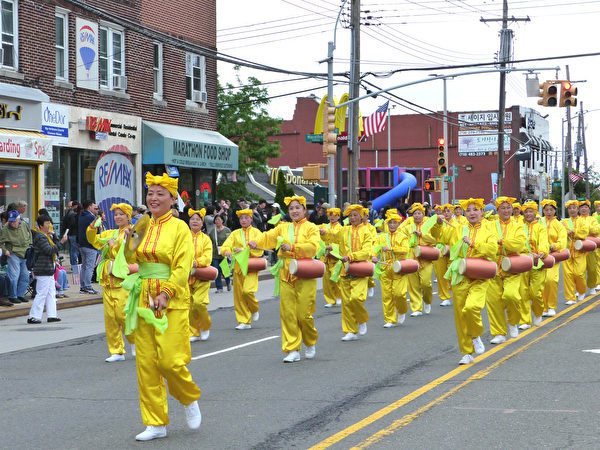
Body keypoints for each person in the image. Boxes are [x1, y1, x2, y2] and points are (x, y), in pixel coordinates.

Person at [123, 172, 201, 442]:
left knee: (170, 361)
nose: (153, 198)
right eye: (150, 193)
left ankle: (188, 398)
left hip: (172, 299)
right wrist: (128, 238)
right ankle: (155, 422)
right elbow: (130, 256)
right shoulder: (143, 223)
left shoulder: (180, 228)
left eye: (160, 194)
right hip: (144, 296)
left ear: (172, 198)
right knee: (146, 364)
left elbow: (182, 267)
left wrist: (167, 292)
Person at [251, 196, 320, 362]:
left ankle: (310, 342)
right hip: (286, 274)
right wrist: (254, 241)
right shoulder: (283, 228)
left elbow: (313, 247)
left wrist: (293, 247)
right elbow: (267, 237)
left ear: (304, 210)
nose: (294, 211)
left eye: (298, 208)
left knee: (304, 314)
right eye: (291, 208)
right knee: (287, 313)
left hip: (305, 273)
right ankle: (292, 349)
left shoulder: (312, 228)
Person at [444, 198, 497, 364]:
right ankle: (466, 352)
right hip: (461, 275)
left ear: (482, 212)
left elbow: (493, 250)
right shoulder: (458, 229)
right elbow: (441, 237)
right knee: (460, 315)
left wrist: (473, 243)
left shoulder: (489, 231)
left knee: (471, 307)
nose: (472, 213)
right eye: (469, 210)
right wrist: (439, 223)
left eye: (476, 210)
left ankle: (475, 334)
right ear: (464, 214)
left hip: (480, 275)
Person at [86, 203, 135, 362]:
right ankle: (116, 351)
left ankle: (136, 342)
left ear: (128, 216)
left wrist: (113, 248)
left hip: (124, 281)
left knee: (123, 315)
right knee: (110, 317)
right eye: (116, 214)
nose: (118, 217)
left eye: (121, 214)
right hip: (108, 280)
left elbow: (129, 254)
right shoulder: (111, 233)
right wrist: (93, 226)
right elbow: (95, 240)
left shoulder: (133, 232)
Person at [321, 204, 374, 341]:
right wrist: (323, 235)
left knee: (356, 298)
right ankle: (350, 331)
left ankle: (361, 319)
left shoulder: (367, 231)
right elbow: (333, 238)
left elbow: (367, 251)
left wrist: (351, 256)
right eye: (350, 215)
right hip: (345, 270)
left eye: (356, 215)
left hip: (360, 269)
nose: (353, 217)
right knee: (346, 303)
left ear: (361, 216)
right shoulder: (344, 230)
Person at [487, 197, 527, 344]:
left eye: (508, 207)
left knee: (511, 296)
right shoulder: (489, 225)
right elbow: (486, 241)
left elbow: (519, 244)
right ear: (497, 210)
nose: (506, 210)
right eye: (502, 208)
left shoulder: (518, 225)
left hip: (512, 266)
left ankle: (513, 321)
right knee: (493, 301)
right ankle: (498, 333)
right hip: (493, 267)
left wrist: (501, 242)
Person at [220, 208, 264, 329]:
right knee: (239, 296)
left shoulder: (257, 233)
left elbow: (260, 248)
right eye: (241, 218)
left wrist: (244, 250)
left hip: (251, 267)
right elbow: (226, 245)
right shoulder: (235, 233)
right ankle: (244, 321)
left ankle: (254, 308)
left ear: (251, 219)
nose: (243, 220)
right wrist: (227, 251)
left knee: (248, 291)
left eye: (246, 218)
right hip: (238, 268)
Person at [27, 214, 67, 324]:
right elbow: (49, 250)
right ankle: (33, 316)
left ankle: (52, 314)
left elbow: (54, 246)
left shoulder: (46, 236)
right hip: (43, 268)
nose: (49, 225)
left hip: (49, 268)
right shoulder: (40, 237)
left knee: (51, 292)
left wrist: (55, 236)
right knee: (42, 293)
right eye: (47, 223)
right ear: (40, 225)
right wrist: (62, 242)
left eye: (49, 223)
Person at [372, 213, 409, 327]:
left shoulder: (403, 236)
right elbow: (375, 248)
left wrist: (391, 249)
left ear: (399, 224)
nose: (392, 225)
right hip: (385, 267)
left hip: (399, 267)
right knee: (387, 295)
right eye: (390, 223)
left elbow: (405, 249)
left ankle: (402, 310)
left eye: (395, 222)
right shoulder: (382, 237)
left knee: (399, 294)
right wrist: (373, 255)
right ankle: (389, 320)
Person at [403, 203, 439, 316]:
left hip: (426, 257)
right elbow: (402, 239)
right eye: (415, 214)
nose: (417, 216)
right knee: (413, 284)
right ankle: (416, 308)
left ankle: (427, 300)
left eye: (419, 213)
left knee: (426, 283)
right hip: (411, 257)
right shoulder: (408, 227)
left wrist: (422, 235)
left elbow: (434, 240)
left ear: (423, 214)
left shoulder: (428, 226)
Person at [518, 201, 549, 330]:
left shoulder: (540, 227)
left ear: (535, 213)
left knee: (536, 292)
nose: (528, 214)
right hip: (523, 261)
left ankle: (538, 312)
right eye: (526, 212)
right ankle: (524, 320)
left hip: (537, 261)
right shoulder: (519, 227)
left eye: (531, 211)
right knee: (522, 291)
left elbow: (543, 241)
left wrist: (542, 252)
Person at [188, 208, 213, 342]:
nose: (195, 221)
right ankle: (193, 332)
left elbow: (207, 258)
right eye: (192, 219)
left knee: (199, 303)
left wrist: (195, 262)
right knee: (190, 306)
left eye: (198, 219)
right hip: (186, 277)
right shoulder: (184, 237)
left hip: (202, 276)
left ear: (202, 223)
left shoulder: (206, 239)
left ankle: (205, 326)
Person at [540, 200, 567, 317]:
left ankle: (551, 306)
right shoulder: (539, 223)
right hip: (540, 256)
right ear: (543, 211)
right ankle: (543, 307)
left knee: (551, 280)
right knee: (541, 282)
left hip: (553, 256)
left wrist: (553, 246)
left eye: (551, 210)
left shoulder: (559, 225)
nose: (549, 212)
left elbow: (562, 241)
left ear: (555, 211)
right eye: (546, 210)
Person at [0, 209, 32, 304]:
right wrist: (5, 251)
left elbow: (29, 235)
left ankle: (20, 295)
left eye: (14, 221)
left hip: (25, 253)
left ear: (19, 220)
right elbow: (1, 242)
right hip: (13, 253)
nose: (12, 223)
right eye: (11, 221)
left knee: (25, 276)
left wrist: (30, 245)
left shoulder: (24, 225)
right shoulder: (6, 228)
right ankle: (12, 296)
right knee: (14, 276)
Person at [562, 199, 590, 305]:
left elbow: (584, 232)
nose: (572, 210)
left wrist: (573, 232)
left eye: (574, 208)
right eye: (570, 208)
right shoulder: (564, 222)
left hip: (580, 251)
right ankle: (570, 297)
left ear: (577, 209)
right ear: (568, 210)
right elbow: (561, 232)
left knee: (579, 274)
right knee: (568, 275)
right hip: (568, 251)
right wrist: (566, 231)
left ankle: (581, 291)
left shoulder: (582, 221)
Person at [320, 207, 342, 308]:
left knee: (336, 278)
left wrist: (332, 246)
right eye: (330, 215)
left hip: (335, 257)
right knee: (327, 280)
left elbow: (342, 243)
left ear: (338, 216)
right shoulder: (325, 226)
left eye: (335, 215)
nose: (332, 217)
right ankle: (330, 299)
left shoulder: (340, 228)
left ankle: (339, 297)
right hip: (326, 256)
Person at [577, 200, 600, 296]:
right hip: (580, 248)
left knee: (592, 269)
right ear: (579, 209)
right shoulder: (576, 220)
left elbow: (596, 230)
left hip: (591, 248)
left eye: (585, 207)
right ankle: (580, 289)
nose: (583, 209)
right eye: (581, 207)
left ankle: (592, 286)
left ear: (589, 209)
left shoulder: (593, 219)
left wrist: (584, 229)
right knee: (579, 271)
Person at [78, 200, 100, 295]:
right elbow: (96, 228)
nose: (97, 210)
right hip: (90, 244)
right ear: (89, 207)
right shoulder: (91, 217)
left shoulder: (81, 216)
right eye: (95, 208)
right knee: (89, 266)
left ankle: (83, 286)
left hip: (82, 244)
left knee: (84, 266)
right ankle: (87, 286)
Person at [209, 214, 231, 293]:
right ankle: (219, 287)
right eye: (216, 220)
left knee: (225, 270)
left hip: (224, 254)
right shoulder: (212, 231)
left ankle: (228, 282)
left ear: (222, 220)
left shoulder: (227, 230)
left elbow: (230, 241)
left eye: (219, 219)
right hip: (215, 254)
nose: (217, 221)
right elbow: (209, 242)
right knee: (216, 270)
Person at [62, 200, 80, 274]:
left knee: (73, 251)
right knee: (74, 252)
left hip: (71, 234)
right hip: (74, 234)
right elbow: (72, 224)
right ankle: (75, 268)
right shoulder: (73, 214)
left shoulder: (69, 213)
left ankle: (74, 267)